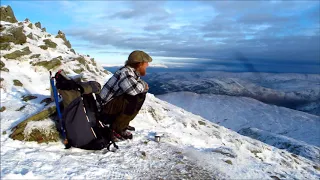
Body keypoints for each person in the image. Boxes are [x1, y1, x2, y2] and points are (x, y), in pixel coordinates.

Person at [99, 50, 152, 141]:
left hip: (109, 106)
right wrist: (144, 86)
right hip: (104, 110)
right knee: (133, 97)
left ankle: (122, 123)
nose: (147, 65)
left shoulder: (131, 72)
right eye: (146, 63)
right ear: (139, 64)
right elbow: (132, 90)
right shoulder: (125, 72)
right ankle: (117, 128)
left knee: (139, 95)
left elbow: (136, 86)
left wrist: (142, 86)